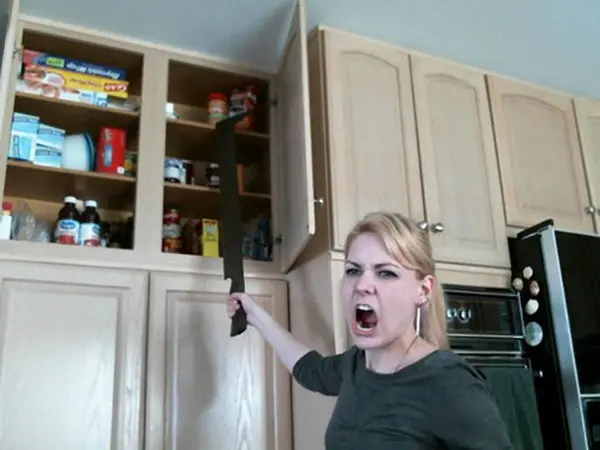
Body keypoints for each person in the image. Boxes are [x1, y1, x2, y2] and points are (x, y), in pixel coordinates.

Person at [227, 211, 513, 449]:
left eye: (386, 272)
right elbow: (311, 369)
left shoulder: (450, 382)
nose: (362, 285)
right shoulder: (356, 364)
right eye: (353, 271)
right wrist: (255, 315)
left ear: (423, 291)